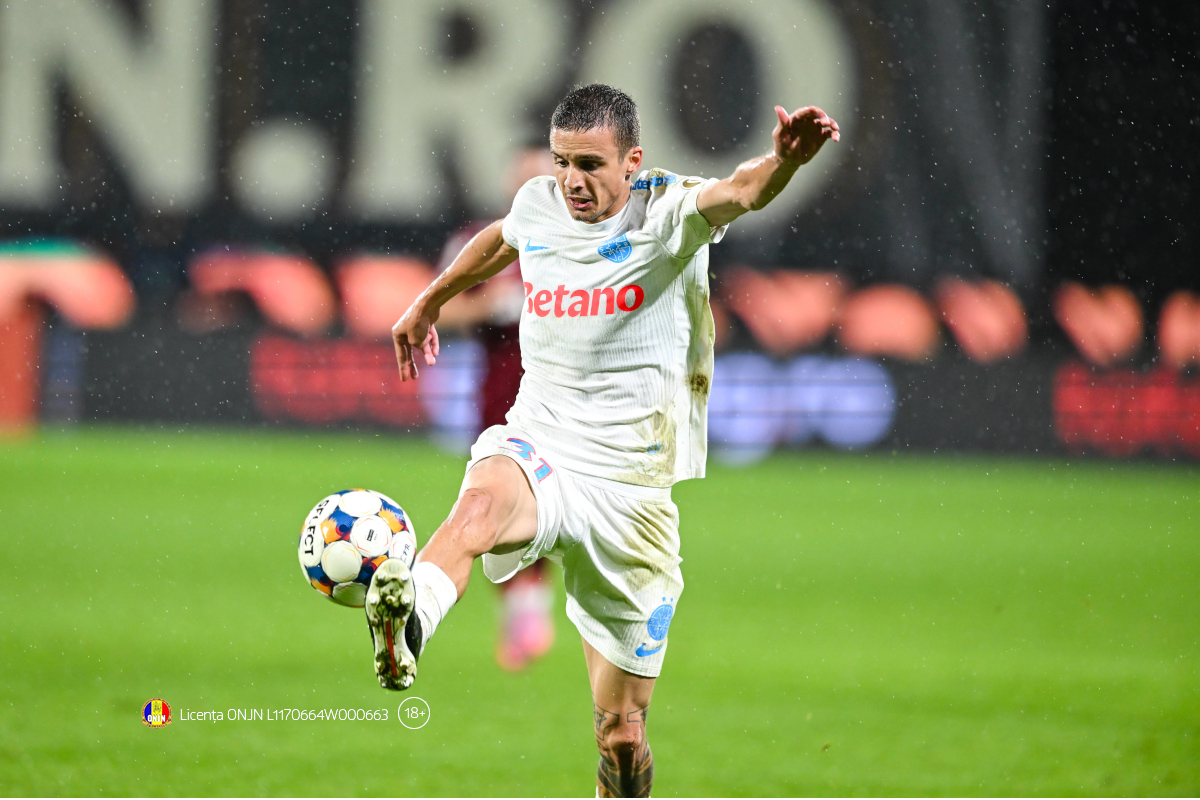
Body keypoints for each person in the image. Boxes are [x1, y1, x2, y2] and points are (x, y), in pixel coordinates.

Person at [368, 84, 839, 797]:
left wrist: (785, 164)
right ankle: (411, 622)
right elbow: (503, 236)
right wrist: (430, 299)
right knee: (477, 511)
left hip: (632, 494)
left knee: (621, 734)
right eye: (562, 162)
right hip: (543, 443)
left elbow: (743, 192)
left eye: (590, 164)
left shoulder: (671, 209)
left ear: (633, 162)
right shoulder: (542, 202)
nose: (572, 181)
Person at [434, 146, 558, 672]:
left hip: (562, 400)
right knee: (490, 505)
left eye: (543, 175)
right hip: (498, 399)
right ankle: (522, 607)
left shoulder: (584, 243)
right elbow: (443, 309)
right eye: (525, 176)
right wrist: (493, 306)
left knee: (553, 505)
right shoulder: (481, 241)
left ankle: (531, 607)